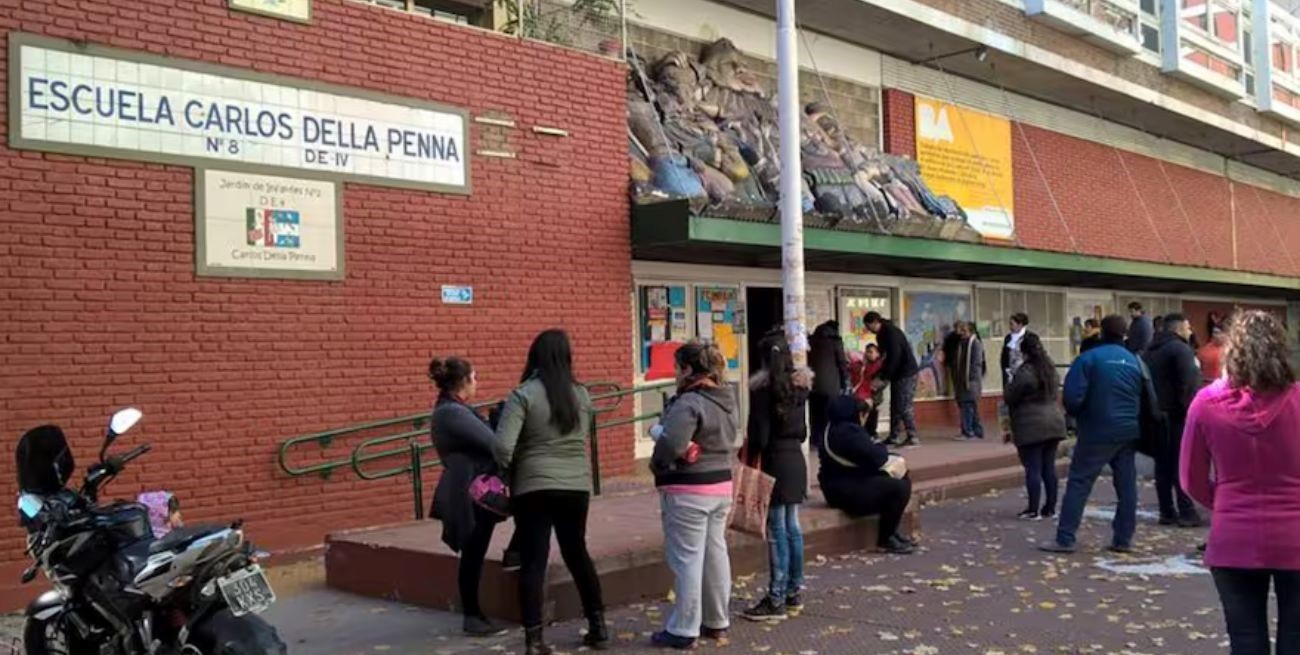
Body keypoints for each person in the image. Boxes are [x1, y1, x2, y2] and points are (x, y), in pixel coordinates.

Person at [1182, 311, 1300, 655]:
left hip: (1233, 536)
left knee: (1245, 639)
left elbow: (1191, 478)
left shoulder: (1206, 403)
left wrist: (1227, 504)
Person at [494, 330, 607, 655]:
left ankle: (534, 639)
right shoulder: (581, 395)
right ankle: (598, 626)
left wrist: (511, 466)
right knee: (577, 553)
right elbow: (582, 434)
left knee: (534, 560)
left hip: (533, 487)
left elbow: (503, 446)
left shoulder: (523, 394)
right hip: (575, 486)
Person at [649, 342, 738, 650]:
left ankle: (684, 629)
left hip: (688, 490)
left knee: (686, 558)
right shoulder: (728, 400)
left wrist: (658, 460)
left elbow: (672, 443)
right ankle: (717, 621)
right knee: (716, 555)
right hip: (721, 486)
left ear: (688, 369)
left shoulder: (689, 402)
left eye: (677, 366)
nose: (675, 372)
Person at [1040, 315, 1154, 554]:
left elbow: (1072, 397)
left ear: (1102, 332)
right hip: (1128, 430)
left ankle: (1065, 538)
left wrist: (1080, 415)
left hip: (1096, 430)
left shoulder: (1088, 359)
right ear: (1124, 334)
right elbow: (1148, 397)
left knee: (1079, 482)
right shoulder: (1135, 361)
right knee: (1126, 486)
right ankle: (1123, 538)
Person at [429, 356, 512, 637]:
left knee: (474, 552)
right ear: (463, 382)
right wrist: (501, 423)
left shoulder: (451, 409)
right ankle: (472, 615)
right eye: (474, 378)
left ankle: (474, 613)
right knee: (473, 553)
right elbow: (494, 443)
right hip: (473, 492)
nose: (477, 383)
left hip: (471, 487)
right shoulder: (452, 412)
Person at [742, 333, 812, 622]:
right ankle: (794, 591)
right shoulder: (799, 388)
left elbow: (759, 435)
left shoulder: (764, 390)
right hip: (796, 460)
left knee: (777, 530)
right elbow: (804, 431)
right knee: (792, 527)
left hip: (775, 461)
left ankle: (776, 597)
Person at [819, 395, 916, 554]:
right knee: (899, 487)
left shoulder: (833, 427)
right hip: (844, 490)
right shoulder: (848, 433)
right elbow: (877, 457)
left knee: (897, 480)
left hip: (839, 485)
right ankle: (886, 538)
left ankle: (891, 532)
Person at [1143, 314, 1203, 528]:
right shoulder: (1181, 350)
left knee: (1163, 466)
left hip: (1155, 415)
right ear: (1178, 329)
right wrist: (1192, 413)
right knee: (1180, 464)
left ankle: (1166, 510)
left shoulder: (1150, 351)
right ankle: (1187, 511)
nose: (1190, 330)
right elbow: (1189, 385)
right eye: (1187, 326)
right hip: (1177, 416)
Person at [1003, 333, 1066, 521]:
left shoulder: (1025, 371)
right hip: (1054, 421)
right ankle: (1050, 507)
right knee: (1048, 467)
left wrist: (1010, 381)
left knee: (1033, 468)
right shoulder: (1050, 368)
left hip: (1031, 424)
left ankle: (1033, 509)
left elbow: (1011, 396)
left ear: (1024, 351)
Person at [865, 311, 920, 447]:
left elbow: (894, 356)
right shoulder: (883, 334)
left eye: (868, 326)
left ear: (874, 323)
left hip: (905, 373)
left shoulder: (890, 333)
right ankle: (894, 436)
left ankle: (912, 436)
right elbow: (886, 358)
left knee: (903, 405)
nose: (868, 330)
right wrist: (881, 373)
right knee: (895, 406)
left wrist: (884, 376)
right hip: (897, 373)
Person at [808, 320, 849, 449]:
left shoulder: (811, 341)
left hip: (813, 384)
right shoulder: (835, 341)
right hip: (831, 385)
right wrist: (845, 382)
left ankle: (815, 439)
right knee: (829, 414)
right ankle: (828, 441)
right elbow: (842, 363)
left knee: (815, 414)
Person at [952, 322, 987, 441]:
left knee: (968, 406)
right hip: (962, 380)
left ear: (971, 331)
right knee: (970, 406)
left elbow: (976, 364)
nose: (962, 333)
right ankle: (976, 431)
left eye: (964, 330)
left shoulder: (975, 344)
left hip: (970, 381)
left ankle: (968, 432)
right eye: (961, 330)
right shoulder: (962, 344)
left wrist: (971, 379)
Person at [849, 344, 884, 438]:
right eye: (867, 352)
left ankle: (872, 432)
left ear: (877, 353)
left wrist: (873, 387)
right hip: (864, 394)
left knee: (873, 413)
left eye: (871, 352)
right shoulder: (863, 365)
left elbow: (883, 380)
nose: (869, 354)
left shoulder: (880, 366)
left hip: (874, 395)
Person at [1002, 313, 1033, 387]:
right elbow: (1005, 356)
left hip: (1024, 375)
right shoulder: (1008, 338)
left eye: (1012, 324)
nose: (1010, 327)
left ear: (1020, 325)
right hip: (1010, 375)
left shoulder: (1030, 338)